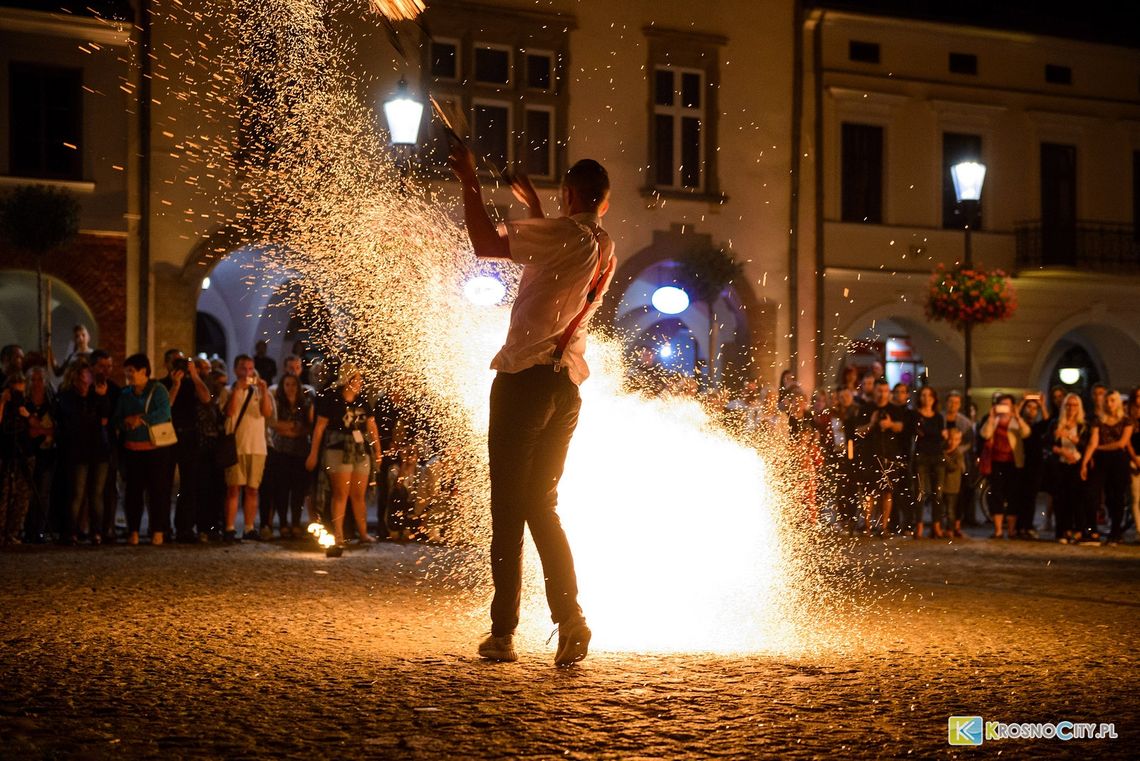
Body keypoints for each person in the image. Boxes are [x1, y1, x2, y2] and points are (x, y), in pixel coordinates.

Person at [450, 139, 614, 666]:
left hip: (523, 382)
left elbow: (483, 243)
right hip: (565, 389)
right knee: (542, 506)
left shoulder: (566, 233)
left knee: (507, 508)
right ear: (603, 203)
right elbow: (556, 268)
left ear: (570, 194)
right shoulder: (602, 244)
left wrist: (471, 179)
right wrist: (537, 212)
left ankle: (502, 634)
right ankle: (571, 619)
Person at [305, 365, 381, 546]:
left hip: (359, 450)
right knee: (340, 493)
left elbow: (371, 425)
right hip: (337, 449)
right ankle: (338, 534)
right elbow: (320, 427)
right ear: (347, 380)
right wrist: (314, 453)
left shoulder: (362, 400)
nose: (361, 382)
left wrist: (377, 450)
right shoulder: (332, 399)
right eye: (357, 379)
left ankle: (363, 533)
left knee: (358, 495)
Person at [111, 353, 174, 545]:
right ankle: (134, 531)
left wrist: (141, 419)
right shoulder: (125, 394)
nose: (128, 375)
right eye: (127, 372)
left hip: (155, 450)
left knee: (157, 492)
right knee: (133, 494)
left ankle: (157, 531)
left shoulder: (158, 390)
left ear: (143, 371)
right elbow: (117, 419)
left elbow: (164, 413)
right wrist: (125, 423)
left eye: (131, 371)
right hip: (132, 450)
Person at [218, 354, 273, 542]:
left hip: (257, 446)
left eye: (250, 369)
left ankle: (249, 527)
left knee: (252, 489)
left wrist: (264, 391)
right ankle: (230, 527)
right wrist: (237, 390)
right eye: (243, 368)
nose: (247, 372)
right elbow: (229, 412)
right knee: (233, 488)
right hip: (236, 446)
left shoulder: (259, 391)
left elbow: (266, 413)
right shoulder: (227, 390)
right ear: (235, 370)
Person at [56, 362, 112, 545]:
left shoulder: (97, 394)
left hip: (98, 450)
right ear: (76, 377)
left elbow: (105, 418)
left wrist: (101, 397)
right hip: (78, 450)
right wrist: (94, 416)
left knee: (96, 494)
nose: (88, 378)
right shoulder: (67, 397)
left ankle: (96, 532)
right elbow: (76, 420)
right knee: (77, 493)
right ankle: (70, 532)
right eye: (85, 375)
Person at [160, 349, 211, 542]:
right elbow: (166, 405)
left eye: (182, 361)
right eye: (175, 362)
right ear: (167, 364)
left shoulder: (192, 383)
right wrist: (175, 384)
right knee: (164, 484)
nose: (179, 364)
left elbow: (206, 398)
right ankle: (163, 527)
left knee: (189, 485)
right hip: (168, 436)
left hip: (189, 437)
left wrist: (195, 375)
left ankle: (184, 528)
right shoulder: (161, 384)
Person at [1081, 390, 1133, 544]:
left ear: (1117, 402)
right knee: (1092, 493)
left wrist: (1099, 448)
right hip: (1100, 461)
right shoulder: (1098, 420)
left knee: (1116, 496)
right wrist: (1085, 461)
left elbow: (1122, 443)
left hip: (1118, 460)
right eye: (1107, 401)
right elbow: (1093, 442)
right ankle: (1092, 530)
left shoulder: (1126, 421)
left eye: (1112, 400)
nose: (1109, 404)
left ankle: (1115, 531)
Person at [854, 379, 905, 536]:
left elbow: (901, 427)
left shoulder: (894, 409)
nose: (882, 394)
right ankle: (867, 526)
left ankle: (884, 527)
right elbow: (858, 431)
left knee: (887, 492)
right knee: (869, 493)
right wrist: (872, 423)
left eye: (885, 391)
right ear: (874, 391)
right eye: (879, 391)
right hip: (870, 455)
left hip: (888, 456)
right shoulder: (866, 408)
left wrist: (890, 425)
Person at [265, 373, 313, 539]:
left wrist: (289, 429)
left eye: (293, 384)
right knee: (282, 490)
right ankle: (283, 523)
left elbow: (307, 427)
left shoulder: (304, 403)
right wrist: (293, 426)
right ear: (282, 386)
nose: (290, 388)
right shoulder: (278, 403)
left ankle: (296, 523)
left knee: (298, 490)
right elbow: (274, 424)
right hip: (281, 451)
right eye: (287, 384)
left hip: (300, 451)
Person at [979, 394, 1029, 539]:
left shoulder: (1016, 421)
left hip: (1014, 463)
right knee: (996, 495)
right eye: (1002, 404)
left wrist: (1018, 416)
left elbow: (1026, 433)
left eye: (1007, 404)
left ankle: (1012, 531)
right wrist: (991, 417)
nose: (1004, 407)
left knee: (1013, 495)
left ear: (1012, 406)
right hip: (995, 463)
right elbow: (985, 434)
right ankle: (998, 530)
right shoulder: (993, 420)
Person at [90, 350, 122, 542]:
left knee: (109, 488)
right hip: (87, 444)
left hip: (109, 444)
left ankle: (107, 527)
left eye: (109, 366)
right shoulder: (85, 387)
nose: (106, 370)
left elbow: (114, 417)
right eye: (102, 366)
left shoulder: (115, 389)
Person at [0, 372, 35, 544]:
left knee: (22, 493)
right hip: (5, 451)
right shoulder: (4, 403)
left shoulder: (27, 403)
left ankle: (13, 531)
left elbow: (37, 426)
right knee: (4, 492)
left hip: (24, 450)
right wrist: (2, 402)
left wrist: (26, 414)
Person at [1049, 394, 1088, 544]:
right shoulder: (1055, 423)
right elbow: (1047, 444)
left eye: (1074, 405)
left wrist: (1074, 439)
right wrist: (1060, 450)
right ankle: (1062, 531)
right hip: (1060, 465)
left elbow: (1087, 445)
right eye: (1068, 405)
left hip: (1077, 465)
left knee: (1077, 499)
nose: (1071, 408)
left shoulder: (1084, 425)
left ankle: (1078, 530)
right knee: (1060, 499)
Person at [912, 387, 946, 539]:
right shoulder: (916, 416)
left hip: (937, 456)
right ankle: (918, 525)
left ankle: (936, 525)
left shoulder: (938, 417)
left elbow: (940, 436)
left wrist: (932, 434)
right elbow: (921, 433)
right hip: (922, 456)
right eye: (923, 395)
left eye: (929, 395)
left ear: (934, 398)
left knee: (937, 493)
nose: (927, 399)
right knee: (921, 492)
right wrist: (935, 434)